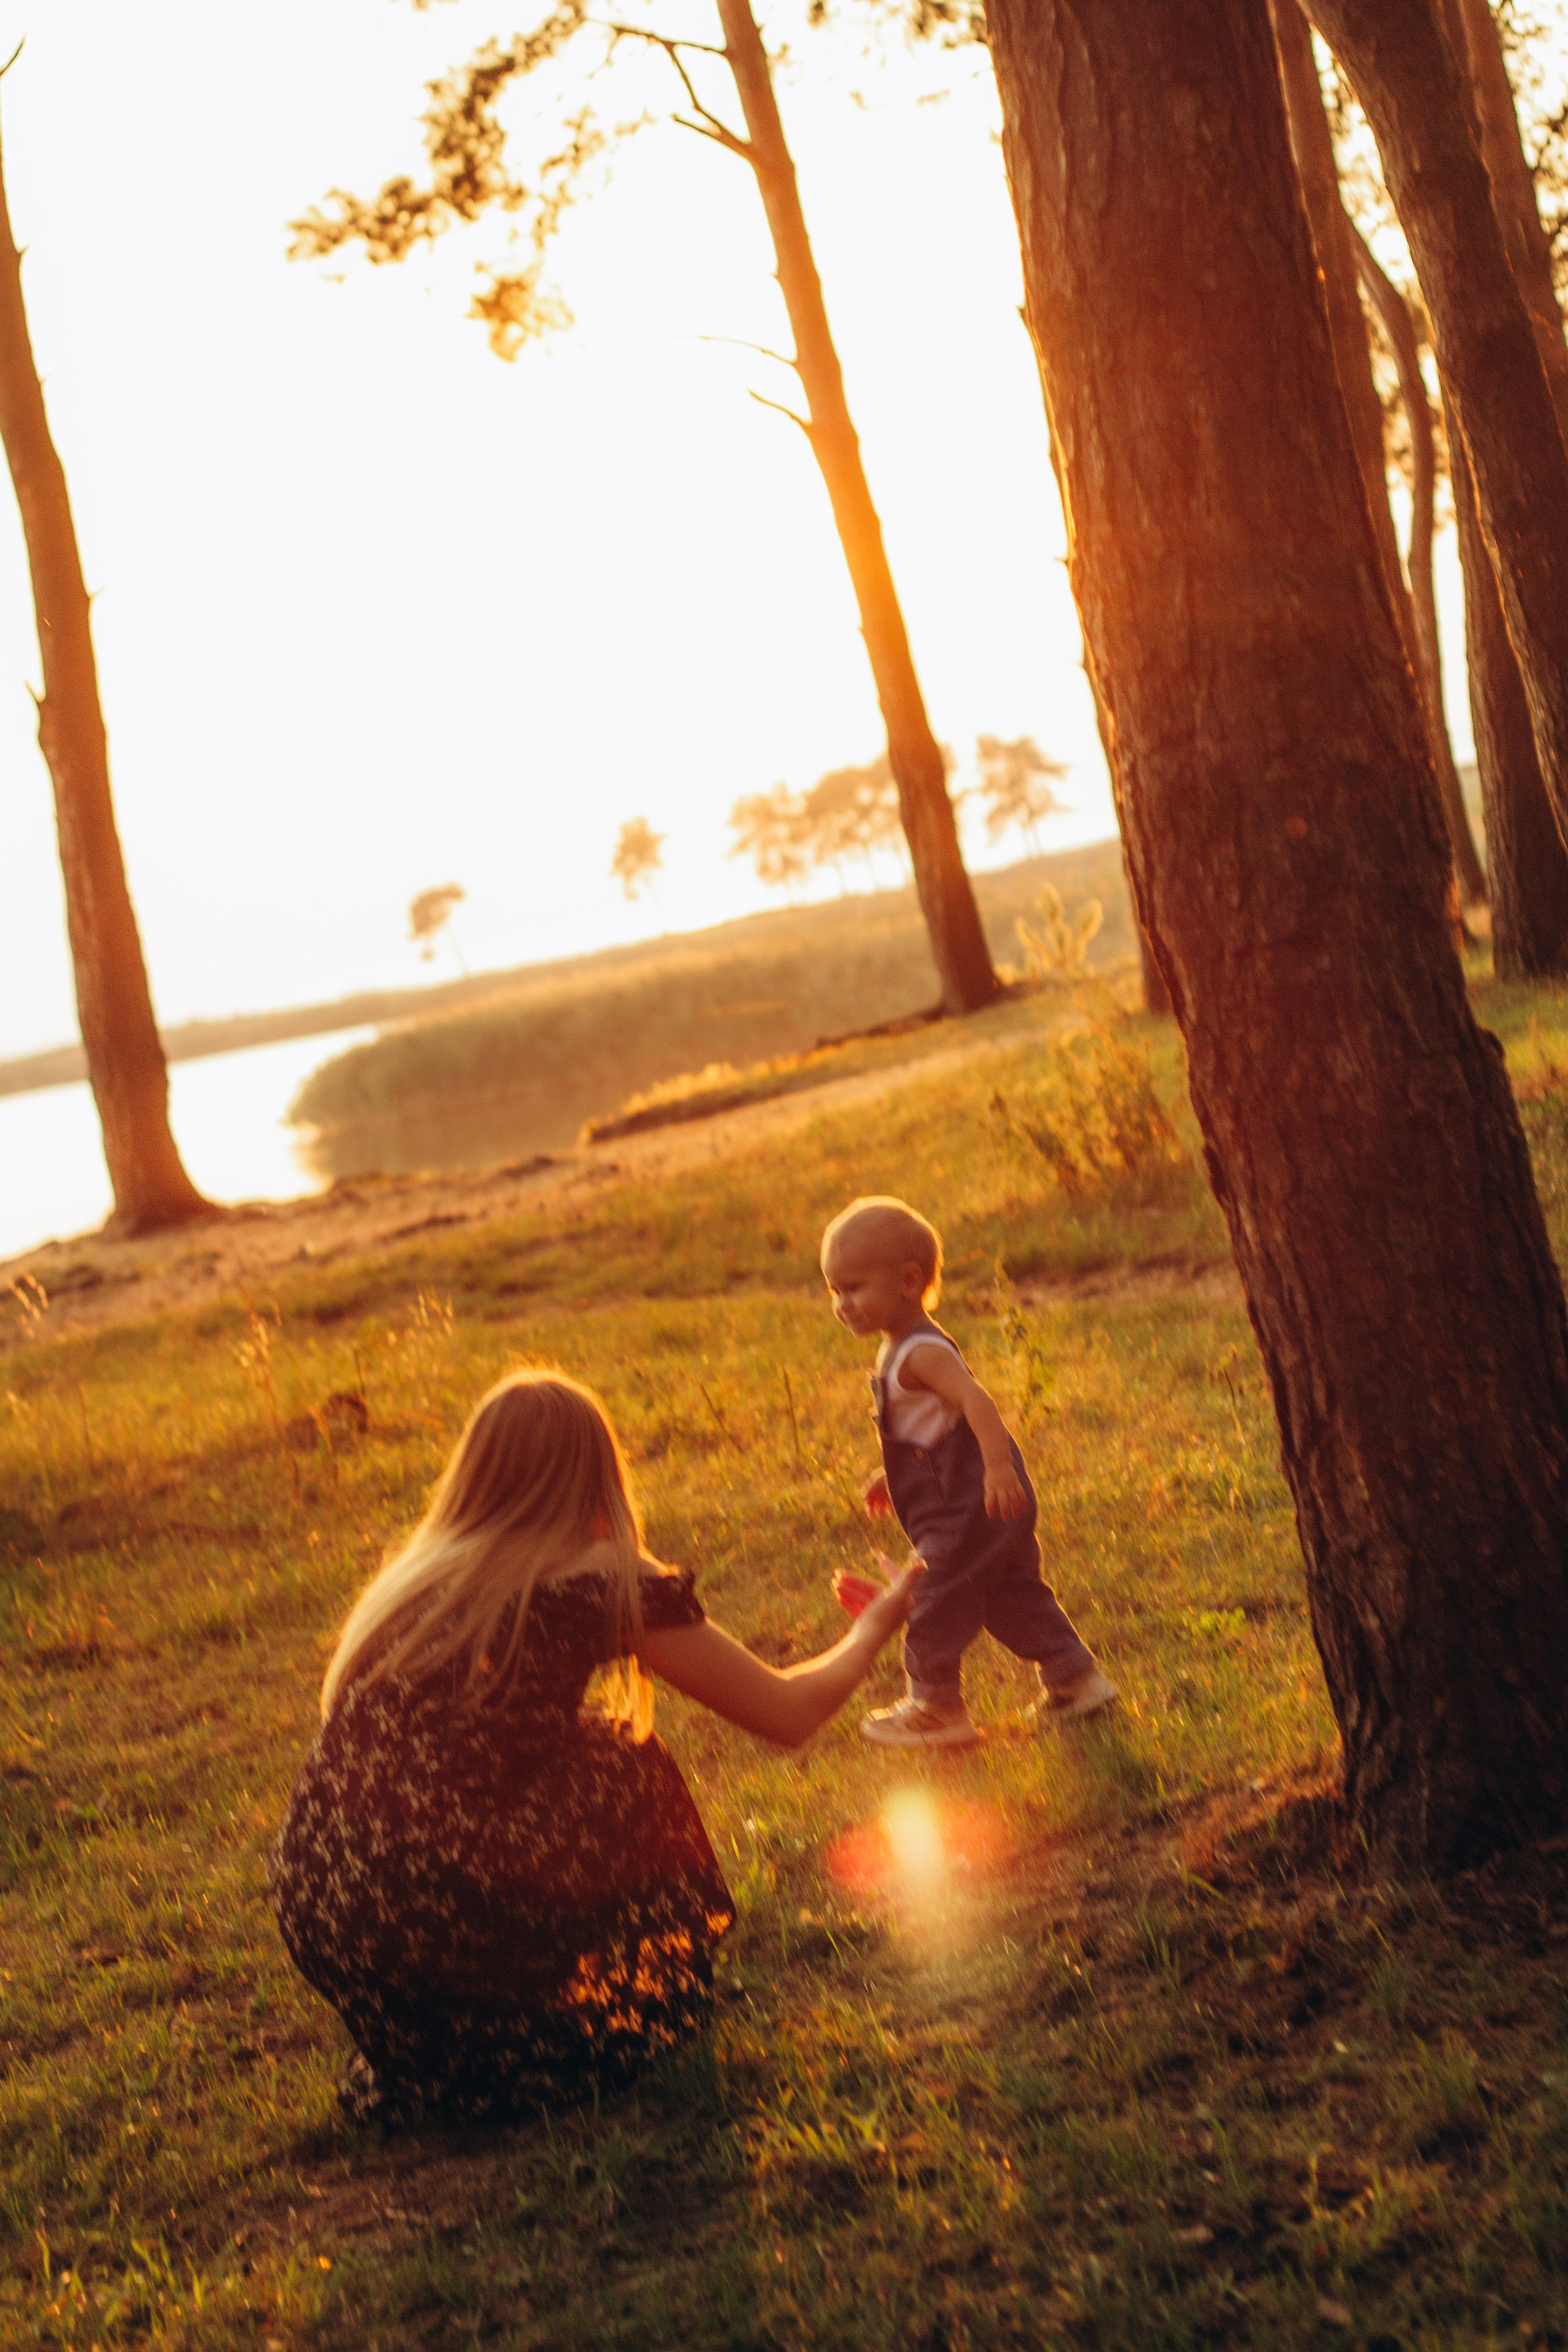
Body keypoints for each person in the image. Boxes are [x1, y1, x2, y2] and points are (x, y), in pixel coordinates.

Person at [270, 1368, 921, 2125]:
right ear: (593, 1472)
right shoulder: (598, 1578)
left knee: (576, 1747)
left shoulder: (417, 1580)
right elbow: (787, 1713)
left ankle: (461, 2036)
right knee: (623, 1761)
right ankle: (605, 2004)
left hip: (325, 1906)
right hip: (437, 1915)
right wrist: (876, 1626)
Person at [822, 1194, 1117, 1751]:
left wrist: (999, 1468)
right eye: (834, 1290)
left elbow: (977, 1403)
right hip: (975, 1505)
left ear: (909, 1281)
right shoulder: (898, 1349)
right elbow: (937, 1430)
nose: (843, 1304)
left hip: (969, 1508)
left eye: (854, 1287)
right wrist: (893, 1475)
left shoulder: (921, 1353)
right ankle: (1076, 1681)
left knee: (932, 1596)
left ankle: (936, 1707)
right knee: (1008, 1595)